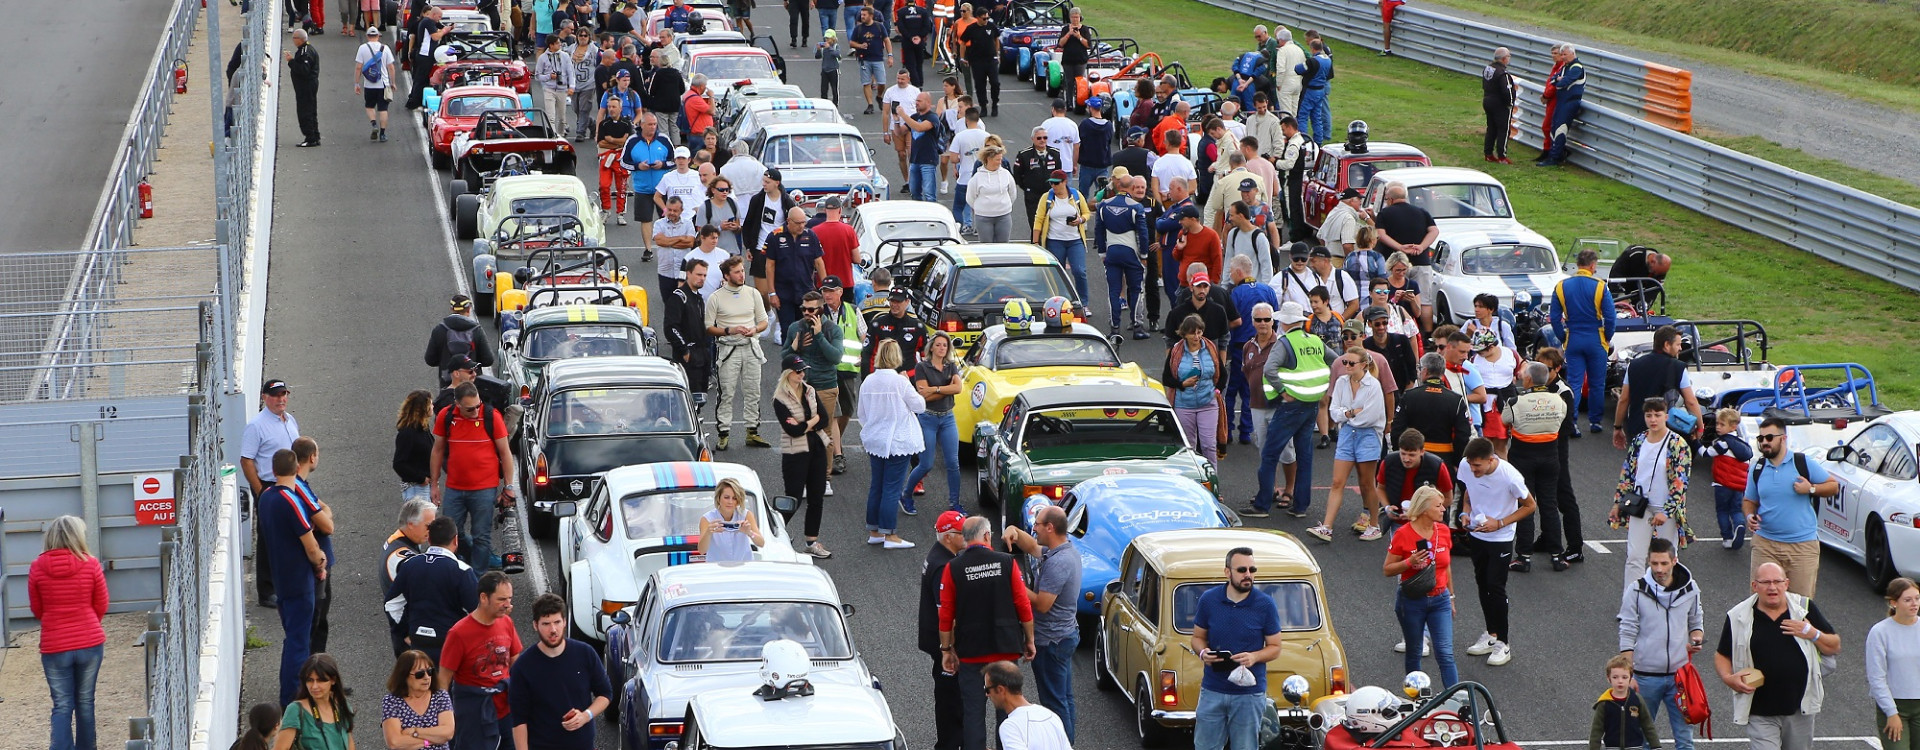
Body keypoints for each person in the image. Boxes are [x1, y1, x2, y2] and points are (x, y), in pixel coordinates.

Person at [1713, 562, 1841, 749]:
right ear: (1754, 586)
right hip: (1760, 712)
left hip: (1799, 709)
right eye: (1765, 582)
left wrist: (1811, 632)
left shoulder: (1804, 608)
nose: (1772, 587)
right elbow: (1722, 654)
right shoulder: (1738, 616)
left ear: (1786, 584)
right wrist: (1728, 678)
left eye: (1777, 581)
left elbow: (1834, 646)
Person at [939, 516, 1037, 750]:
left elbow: (945, 615)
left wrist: (946, 649)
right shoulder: (1006, 562)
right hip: (1005, 649)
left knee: (973, 714)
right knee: (1008, 710)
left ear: (965, 538)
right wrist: (1030, 639)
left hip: (971, 652)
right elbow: (1023, 604)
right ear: (986, 536)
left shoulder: (952, 568)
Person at [995, 505, 1082, 739]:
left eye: (1038, 524)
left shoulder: (1058, 562)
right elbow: (1032, 546)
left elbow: (1042, 604)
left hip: (1051, 640)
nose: (1034, 528)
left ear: (1050, 528)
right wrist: (1013, 529)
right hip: (1064, 635)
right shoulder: (1063, 550)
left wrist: (1014, 582)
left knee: (1054, 702)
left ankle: (1060, 742)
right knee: (1064, 697)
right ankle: (1067, 741)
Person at [1190, 547, 1284, 750]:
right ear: (1227, 572)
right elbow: (1197, 638)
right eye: (1242, 570)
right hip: (1213, 690)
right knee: (1205, 746)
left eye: (1252, 569)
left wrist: (1255, 657)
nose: (1248, 575)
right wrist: (1203, 653)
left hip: (1249, 695)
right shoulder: (1209, 600)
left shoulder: (1265, 605)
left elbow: (1275, 647)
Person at [30, 516, 108, 750]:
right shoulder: (91, 563)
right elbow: (101, 603)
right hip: (90, 642)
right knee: (86, 701)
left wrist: (56, 622)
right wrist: (87, 624)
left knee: (62, 704)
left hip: (54, 645)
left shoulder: (37, 566)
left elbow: (37, 608)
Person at [1617, 537, 1703, 750]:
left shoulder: (1691, 588)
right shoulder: (1635, 590)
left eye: (1664, 563)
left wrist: (1696, 638)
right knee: (1643, 738)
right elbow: (1627, 631)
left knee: (1685, 739)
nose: (1659, 568)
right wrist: (1629, 675)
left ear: (1674, 560)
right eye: (1654, 563)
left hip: (1680, 677)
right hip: (1645, 677)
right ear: (1648, 561)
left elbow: (1696, 621)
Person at [1457, 436, 1536, 667]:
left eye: (1477, 466)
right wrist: (1465, 512)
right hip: (1477, 533)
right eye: (1470, 465)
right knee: (1482, 583)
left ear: (1491, 459)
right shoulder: (1466, 466)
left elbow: (1530, 505)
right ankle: (1491, 634)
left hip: (1501, 537)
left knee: (1495, 586)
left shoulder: (1510, 476)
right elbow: (1469, 492)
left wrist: (1500, 523)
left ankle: (1504, 642)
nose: (1473, 469)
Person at [260, 449, 329, 706]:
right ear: (296, 469)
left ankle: (290, 693)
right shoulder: (290, 500)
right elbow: (310, 544)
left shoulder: (266, 497)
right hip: (299, 580)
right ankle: (293, 697)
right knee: (299, 642)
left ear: (274, 470)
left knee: (292, 638)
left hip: (280, 576)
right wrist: (320, 560)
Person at [1744, 416, 1838, 599]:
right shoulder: (1757, 468)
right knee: (1760, 602)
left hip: (1802, 547)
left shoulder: (1802, 463)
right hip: (1765, 544)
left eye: (1769, 438)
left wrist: (1810, 488)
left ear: (1783, 438)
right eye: (1760, 439)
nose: (1764, 442)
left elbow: (1833, 486)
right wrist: (1749, 517)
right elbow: (1749, 501)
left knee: (1800, 605)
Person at [1252, 301, 1328, 518]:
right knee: (1304, 456)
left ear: (1283, 321)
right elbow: (1333, 360)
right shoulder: (1314, 340)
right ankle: (1300, 507)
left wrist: (1283, 391)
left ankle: (1262, 505)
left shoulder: (1285, 342)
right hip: (1311, 403)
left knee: (1269, 454)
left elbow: (1269, 369)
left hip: (1291, 405)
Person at [509, 593, 612, 750]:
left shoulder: (585, 653)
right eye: (546, 624)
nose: (553, 630)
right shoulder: (523, 668)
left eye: (557, 622)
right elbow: (519, 720)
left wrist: (586, 716)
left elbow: (605, 694)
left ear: (564, 622)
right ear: (535, 625)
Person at [430, 383, 515, 569]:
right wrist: (434, 484)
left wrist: (508, 487)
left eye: (478, 406)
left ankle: (478, 580)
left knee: (481, 536)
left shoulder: (491, 416)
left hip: (484, 489)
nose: (476, 411)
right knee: (451, 533)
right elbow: (437, 450)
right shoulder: (446, 416)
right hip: (454, 487)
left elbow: (505, 453)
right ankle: (462, 569)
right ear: (457, 404)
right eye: (470, 409)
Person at [1611, 397, 1694, 584]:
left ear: (1666, 416)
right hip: (1640, 506)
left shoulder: (1677, 444)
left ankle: (1667, 599)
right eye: (1649, 415)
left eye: (1657, 415)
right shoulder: (1639, 440)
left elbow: (1681, 482)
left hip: (1666, 509)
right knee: (1634, 557)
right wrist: (1618, 502)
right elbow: (1627, 473)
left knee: (1666, 560)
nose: (1653, 420)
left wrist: (1667, 511)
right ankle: (1631, 605)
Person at [1383, 486, 1459, 687]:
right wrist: (1409, 562)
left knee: (1445, 652)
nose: (1444, 509)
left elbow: (1446, 566)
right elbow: (1388, 569)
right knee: (1415, 650)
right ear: (1425, 509)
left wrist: (1451, 597)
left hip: (1440, 599)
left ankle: (1455, 700)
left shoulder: (1443, 531)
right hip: (1412, 601)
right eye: (1439, 505)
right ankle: (1416, 697)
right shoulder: (1403, 534)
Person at [1503, 361, 1571, 570]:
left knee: (1526, 505)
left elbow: (1506, 421)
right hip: (1550, 457)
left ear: (1530, 379)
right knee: (1549, 504)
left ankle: (1523, 557)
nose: (1522, 377)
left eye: (1524, 375)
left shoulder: (1515, 402)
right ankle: (1557, 555)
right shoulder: (1559, 400)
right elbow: (1562, 420)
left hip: (1522, 457)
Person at [442, 571, 521, 750]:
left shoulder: (506, 623)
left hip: (506, 711)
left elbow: (516, 660)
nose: (508, 605)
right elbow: (443, 681)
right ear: (484, 598)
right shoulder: (458, 633)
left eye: (509, 598)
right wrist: (444, 719)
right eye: (502, 599)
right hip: (473, 716)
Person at [1312, 347, 1384, 542]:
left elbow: (1370, 417)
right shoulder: (1342, 382)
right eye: (1345, 362)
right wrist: (1352, 413)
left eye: (1351, 363)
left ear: (1363, 365)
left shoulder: (1374, 386)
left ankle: (1375, 525)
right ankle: (1326, 527)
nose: (1347, 366)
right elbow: (1334, 411)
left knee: (1367, 483)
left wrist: (1346, 415)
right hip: (1346, 435)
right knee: (1337, 482)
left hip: (1368, 437)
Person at [241, 379, 300, 607]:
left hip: (292, 484)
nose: (280, 399)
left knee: (292, 534)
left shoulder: (289, 420)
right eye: (275, 395)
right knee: (268, 539)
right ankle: (266, 591)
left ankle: (286, 583)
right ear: (265, 397)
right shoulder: (256, 426)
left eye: (284, 394)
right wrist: (260, 491)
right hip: (269, 486)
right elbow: (246, 460)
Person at [861, 339, 925, 546]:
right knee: (892, 488)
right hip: (898, 441)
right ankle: (890, 534)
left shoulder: (868, 381)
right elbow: (920, 405)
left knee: (876, 486)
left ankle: (875, 532)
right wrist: (907, 381)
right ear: (896, 357)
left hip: (876, 441)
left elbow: (862, 414)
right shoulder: (900, 382)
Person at [389, 516, 478, 666]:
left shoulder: (410, 565)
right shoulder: (462, 570)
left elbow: (391, 604)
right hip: (450, 642)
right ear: (455, 540)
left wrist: (403, 632)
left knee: (422, 685)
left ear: (429, 540)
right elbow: (477, 612)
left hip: (418, 641)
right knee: (447, 687)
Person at [705, 256, 771, 450]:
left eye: (742, 271)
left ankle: (752, 431)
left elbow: (763, 320)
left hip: (751, 347)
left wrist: (755, 330)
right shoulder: (715, 298)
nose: (742, 274)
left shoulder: (753, 293)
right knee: (726, 393)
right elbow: (709, 327)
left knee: (753, 391)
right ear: (726, 275)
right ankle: (723, 433)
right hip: (728, 350)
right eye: (737, 272)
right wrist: (729, 331)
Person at [1549, 249, 1615, 434]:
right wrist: (1607, 337)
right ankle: (1595, 422)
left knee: (1574, 383)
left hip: (1573, 337)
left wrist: (1563, 338)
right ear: (1593, 265)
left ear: (1577, 264)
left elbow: (1554, 318)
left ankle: (1573, 422)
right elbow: (1611, 318)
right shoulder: (1600, 286)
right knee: (1597, 383)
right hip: (1596, 338)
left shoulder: (1561, 286)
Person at [774, 353, 834, 558]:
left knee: (817, 497)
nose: (802, 374)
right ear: (788, 374)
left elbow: (824, 419)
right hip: (795, 453)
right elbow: (794, 431)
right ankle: (774, 535)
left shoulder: (810, 391)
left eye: (803, 371)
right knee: (793, 498)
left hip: (817, 448)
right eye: (798, 371)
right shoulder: (780, 399)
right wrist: (811, 422)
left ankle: (812, 541)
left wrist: (806, 424)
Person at [918, 511, 970, 750]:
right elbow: (946, 614)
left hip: (937, 642)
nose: (967, 537)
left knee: (950, 698)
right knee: (951, 701)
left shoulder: (940, 555)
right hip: (944, 646)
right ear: (949, 537)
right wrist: (949, 648)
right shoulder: (944, 565)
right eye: (963, 533)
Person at [1614, 327, 1704, 447]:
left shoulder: (1633, 365)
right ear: (1667, 345)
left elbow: (1624, 399)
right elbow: (1691, 401)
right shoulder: (1678, 367)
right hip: (1664, 431)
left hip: (1637, 429)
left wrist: (1618, 427)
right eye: (1678, 344)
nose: (1680, 348)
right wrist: (1700, 427)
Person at [908, 333, 965, 514]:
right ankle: (906, 494)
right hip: (928, 417)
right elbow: (923, 395)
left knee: (953, 462)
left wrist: (935, 389)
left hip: (948, 417)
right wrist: (946, 390)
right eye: (938, 345)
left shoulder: (951, 366)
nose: (942, 348)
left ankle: (954, 503)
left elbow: (958, 388)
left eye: (945, 345)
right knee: (926, 464)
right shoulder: (921, 367)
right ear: (931, 347)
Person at [289, 438, 336, 654]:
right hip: (316, 564)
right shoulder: (298, 486)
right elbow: (327, 525)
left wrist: (322, 511)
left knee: (320, 621)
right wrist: (324, 513)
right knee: (315, 622)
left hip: (316, 562)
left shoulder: (299, 485)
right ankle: (315, 674)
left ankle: (321, 672)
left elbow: (321, 507)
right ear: (312, 457)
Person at [1095, 174, 1153, 340]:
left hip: (1111, 252)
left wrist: (1102, 252)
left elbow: (1099, 230)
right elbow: (1143, 233)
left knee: (1113, 291)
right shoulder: (1136, 207)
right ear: (1132, 187)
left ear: (1118, 186)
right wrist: (1144, 255)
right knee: (1136, 289)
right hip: (1131, 253)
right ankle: (1137, 326)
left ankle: (1114, 329)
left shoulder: (1104, 205)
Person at [1166, 314, 1225, 466]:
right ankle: (1191, 482)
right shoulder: (1176, 351)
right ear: (1184, 333)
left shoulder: (1210, 348)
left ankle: (1212, 483)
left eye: (1199, 332)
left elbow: (1222, 373)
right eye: (1192, 332)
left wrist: (1216, 390)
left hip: (1208, 403)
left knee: (1209, 445)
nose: (1197, 336)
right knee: (1188, 447)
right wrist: (1182, 384)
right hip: (1184, 405)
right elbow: (1167, 378)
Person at [1869, 577, 1920, 750]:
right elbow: (1876, 678)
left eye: (1917, 598)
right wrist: (1891, 713)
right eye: (1908, 600)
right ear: (1893, 602)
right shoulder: (1879, 632)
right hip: (1895, 706)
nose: (1914, 604)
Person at [1698, 409, 1754, 550]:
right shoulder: (1742, 443)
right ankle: (1740, 524)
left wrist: (1695, 443)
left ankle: (1727, 538)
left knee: (1722, 511)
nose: (1718, 427)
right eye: (1717, 424)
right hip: (1739, 486)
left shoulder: (1722, 443)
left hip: (1722, 484)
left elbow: (1705, 453)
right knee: (1736, 510)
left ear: (1733, 426)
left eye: (1722, 424)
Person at [984, 662, 1072, 750]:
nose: (987, 695)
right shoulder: (1051, 715)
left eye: (987, 690)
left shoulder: (1011, 726)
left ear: (1000, 690)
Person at [1031, 171, 1092, 300]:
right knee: (1057, 274)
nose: (1053, 186)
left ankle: (1083, 302)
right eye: (1051, 183)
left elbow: (1086, 212)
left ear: (1065, 182)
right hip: (1055, 241)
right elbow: (1039, 219)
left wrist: (1081, 220)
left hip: (1075, 240)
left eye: (1056, 183)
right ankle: (1059, 300)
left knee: (1079, 271)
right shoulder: (1046, 198)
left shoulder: (1076, 195)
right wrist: (1035, 242)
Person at [274, 654, 354, 750]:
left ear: (333, 680)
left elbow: (349, 744)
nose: (314, 686)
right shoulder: (296, 710)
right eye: (310, 680)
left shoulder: (342, 706)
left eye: (320, 680)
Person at [383, 650, 456, 750]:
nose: (426, 677)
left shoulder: (440, 696)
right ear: (404, 676)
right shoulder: (391, 701)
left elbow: (448, 733)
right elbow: (395, 742)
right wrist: (430, 740)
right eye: (420, 674)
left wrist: (414, 731)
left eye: (429, 671)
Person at [1590, 653, 1663, 750]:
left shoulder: (1637, 699)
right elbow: (1596, 731)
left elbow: (1648, 725)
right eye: (1615, 677)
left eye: (1624, 677)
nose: (1620, 681)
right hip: (1612, 747)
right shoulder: (1604, 703)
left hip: (1635, 747)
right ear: (1609, 679)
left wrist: (1656, 746)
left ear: (1630, 679)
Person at [424, 296, 496, 387]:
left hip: (448, 382)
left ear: (451, 309)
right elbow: (488, 360)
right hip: (472, 383)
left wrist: (445, 360)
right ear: (469, 309)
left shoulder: (440, 329)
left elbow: (430, 360)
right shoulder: (476, 330)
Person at [1539, 44, 1585, 166]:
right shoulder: (1565, 67)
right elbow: (1553, 80)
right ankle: (1554, 155)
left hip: (1570, 103)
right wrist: (1559, 79)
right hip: (1561, 102)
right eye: (1562, 54)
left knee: (1560, 129)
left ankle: (1555, 158)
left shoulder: (1576, 67)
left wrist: (1560, 80)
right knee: (1553, 128)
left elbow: (1562, 83)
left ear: (1572, 53)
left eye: (1565, 54)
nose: (1563, 57)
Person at [864, 288, 925, 374]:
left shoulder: (917, 327)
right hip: (884, 376)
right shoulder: (877, 325)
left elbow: (927, 356)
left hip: (909, 376)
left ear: (907, 302)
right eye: (892, 301)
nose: (894, 304)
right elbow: (868, 355)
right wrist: (867, 378)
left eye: (898, 301)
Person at [967, 145, 1020, 243]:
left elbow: (1012, 193)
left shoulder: (1006, 174)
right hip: (983, 218)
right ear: (988, 159)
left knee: (1003, 245)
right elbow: (970, 197)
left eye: (1001, 159)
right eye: (997, 160)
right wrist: (981, 209)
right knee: (986, 246)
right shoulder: (977, 177)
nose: (1000, 162)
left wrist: (1005, 206)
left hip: (1003, 216)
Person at [355, 27, 398, 142]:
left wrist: (357, 83)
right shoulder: (385, 48)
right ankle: (383, 134)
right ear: (378, 36)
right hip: (383, 84)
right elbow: (391, 67)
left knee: (369, 106)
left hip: (369, 84)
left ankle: (374, 124)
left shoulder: (362, 48)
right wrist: (392, 82)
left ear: (367, 36)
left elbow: (359, 67)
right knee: (383, 109)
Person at [1014, 129, 1064, 225]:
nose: (1042, 140)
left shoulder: (1055, 153)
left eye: (1045, 138)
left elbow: (1059, 173)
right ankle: (1036, 240)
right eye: (1039, 138)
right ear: (1033, 139)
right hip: (1033, 195)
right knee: (1035, 223)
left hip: (1051, 193)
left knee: (1052, 222)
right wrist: (1027, 187)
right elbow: (1017, 175)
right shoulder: (1024, 155)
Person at [1362, 305, 1417, 391]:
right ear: (1369, 324)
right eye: (1377, 324)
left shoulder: (1402, 341)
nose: (1381, 327)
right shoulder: (1366, 345)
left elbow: (1412, 369)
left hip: (1403, 390)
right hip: (1378, 392)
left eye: (1384, 323)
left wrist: (1406, 394)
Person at [850, 6, 891, 114]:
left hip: (878, 58)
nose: (862, 17)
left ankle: (879, 96)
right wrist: (859, 46)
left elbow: (886, 40)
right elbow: (852, 42)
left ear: (871, 16)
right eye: (861, 15)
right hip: (864, 59)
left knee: (882, 83)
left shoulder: (879, 27)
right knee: (866, 83)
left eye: (864, 15)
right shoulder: (858, 29)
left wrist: (890, 55)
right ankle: (870, 104)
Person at [960, 6, 1000, 115]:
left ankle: (995, 103)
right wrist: (962, 57)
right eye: (984, 18)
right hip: (977, 60)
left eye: (987, 18)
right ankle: (983, 105)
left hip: (991, 59)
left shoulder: (991, 26)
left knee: (995, 82)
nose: (986, 20)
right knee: (980, 84)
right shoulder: (971, 28)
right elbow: (963, 42)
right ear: (977, 18)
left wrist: (997, 54)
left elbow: (996, 39)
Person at [537, 35, 576, 141]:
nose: (560, 45)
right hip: (549, 89)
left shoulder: (565, 56)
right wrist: (549, 76)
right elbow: (538, 76)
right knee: (551, 116)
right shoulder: (542, 58)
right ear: (551, 45)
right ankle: (554, 137)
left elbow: (570, 72)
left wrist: (571, 86)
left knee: (562, 118)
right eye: (558, 43)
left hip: (562, 89)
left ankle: (561, 134)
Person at [286, 30, 322, 147]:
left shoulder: (306, 52)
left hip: (306, 86)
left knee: (305, 111)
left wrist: (291, 62)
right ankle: (315, 136)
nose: (293, 40)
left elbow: (304, 70)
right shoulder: (305, 50)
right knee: (311, 110)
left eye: (294, 38)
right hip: (307, 86)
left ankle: (310, 137)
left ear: (300, 39)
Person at [1481, 47, 1516, 163]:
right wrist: (1510, 103)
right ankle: (1502, 156)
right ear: (1504, 59)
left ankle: (1488, 154)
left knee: (1491, 128)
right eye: (1509, 57)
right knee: (1503, 130)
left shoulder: (1488, 68)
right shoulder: (1503, 74)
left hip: (1487, 100)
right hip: (1499, 105)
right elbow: (1507, 91)